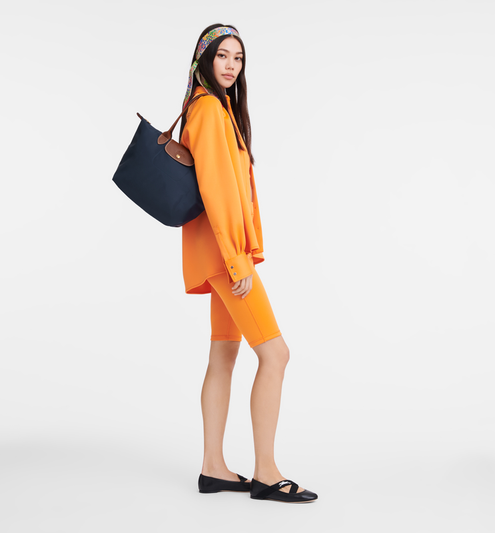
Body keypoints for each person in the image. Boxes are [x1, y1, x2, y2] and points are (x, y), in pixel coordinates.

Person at [178, 24, 317, 504]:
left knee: (223, 355)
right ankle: (267, 473)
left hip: (219, 254)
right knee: (276, 355)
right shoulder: (209, 110)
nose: (232, 65)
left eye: (238, 58)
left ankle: (213, 468)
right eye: (223, 55)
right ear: (204, 59)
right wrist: (238, 260)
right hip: (226, 256)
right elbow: (217, 191)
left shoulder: (214, 109)